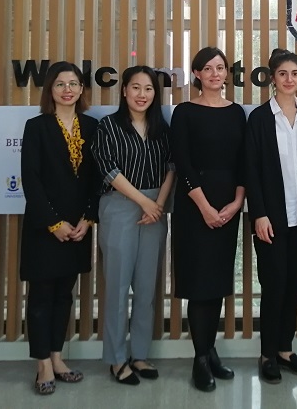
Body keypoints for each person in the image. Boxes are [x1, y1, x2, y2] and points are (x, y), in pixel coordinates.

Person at [244, 49, 297, 384]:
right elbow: (251, 171)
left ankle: (285, 349)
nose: (289, 79)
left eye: (295, 73)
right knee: (274, 285)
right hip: (272, 219)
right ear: (272, 79)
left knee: (294, 286)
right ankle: (267, 353)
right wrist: (259, 214)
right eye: (283, 74)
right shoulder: (260, 119)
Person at [20, 61, 99, 396]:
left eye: (74, 84)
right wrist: (53, 222)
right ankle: (42, 364)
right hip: (44, 227)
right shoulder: (36, 126)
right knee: (41, 296)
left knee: (64, 295)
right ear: (50, 90)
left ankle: (57, 356)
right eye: (60, 84)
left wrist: (88, 218)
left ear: (81, 89)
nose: (68, 90)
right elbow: (31, 179)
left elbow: (97, 178)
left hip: (79, 227)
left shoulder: (92, 126)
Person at [92, 66, 174, 386]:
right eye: (136, 87)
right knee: (117, 287)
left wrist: (158, 205)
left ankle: (139, 354)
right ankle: (116, 358)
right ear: (124, 90)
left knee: (146, 287)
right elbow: (108, 169)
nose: (142, 94)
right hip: (120, 207)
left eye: (148, 89)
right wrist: (144, 202)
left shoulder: (162, 128)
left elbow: (171, 167)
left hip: (156, 210)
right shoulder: (108, 126)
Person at [171, 47, 246, 392]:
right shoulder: (184, 112)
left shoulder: (237, 113)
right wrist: (203, 206)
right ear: (197, 74)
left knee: (216, 281)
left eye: (220, 67)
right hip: (194, 205)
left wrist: (237, 202)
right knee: (199, 283)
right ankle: (200, 359)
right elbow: (182, 162)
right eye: (208, 68)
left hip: (228, 204)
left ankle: (210, 351)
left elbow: (244, 162)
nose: (215, 73)